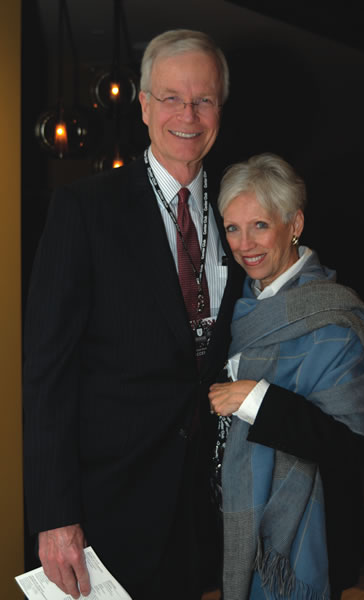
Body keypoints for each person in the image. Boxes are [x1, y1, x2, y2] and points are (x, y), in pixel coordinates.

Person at [23, 29, 244, 600]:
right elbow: (47, 374)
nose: (187, 115)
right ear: (144, 105)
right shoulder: (84, 209)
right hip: (104, 513)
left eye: (203, 99)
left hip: (204, 514)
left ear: (220, 108)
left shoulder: (241, 213)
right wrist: (54, 517)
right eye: (171, 97)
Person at [208, 153, 364, 600]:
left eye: (260, 225)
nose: (244, 244)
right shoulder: (237, 305)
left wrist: (256, 399)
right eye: (233, 228)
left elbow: (349, 446)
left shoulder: (334, 319)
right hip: (236, 531)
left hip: (307, 545)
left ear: (294, 224)